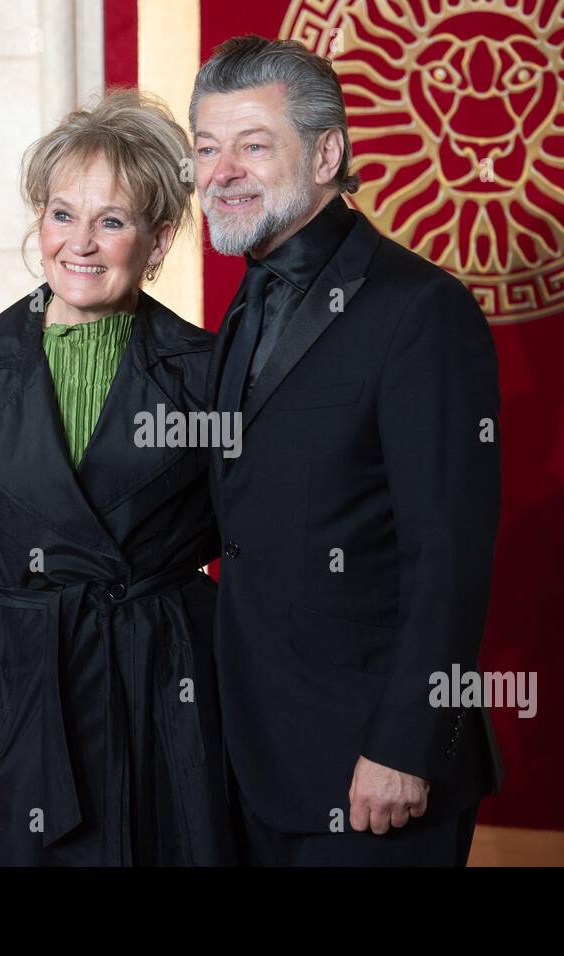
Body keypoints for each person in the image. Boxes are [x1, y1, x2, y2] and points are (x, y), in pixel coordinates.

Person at [0, 89, 235, 866]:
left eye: (111, 221)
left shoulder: (209, 372)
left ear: (158, 240)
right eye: (61, 214)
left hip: (164, 700)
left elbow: (255, 552)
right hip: (17, 704)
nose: (80, 243)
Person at [191, 35, 504, 866]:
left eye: (254, 145)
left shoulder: (421, 311)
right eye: (207, 147)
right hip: (250, 752)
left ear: (327, 153)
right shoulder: (244, 303)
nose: (223, 170)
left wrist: (405, 744)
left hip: (378, 764)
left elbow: (449, 553)